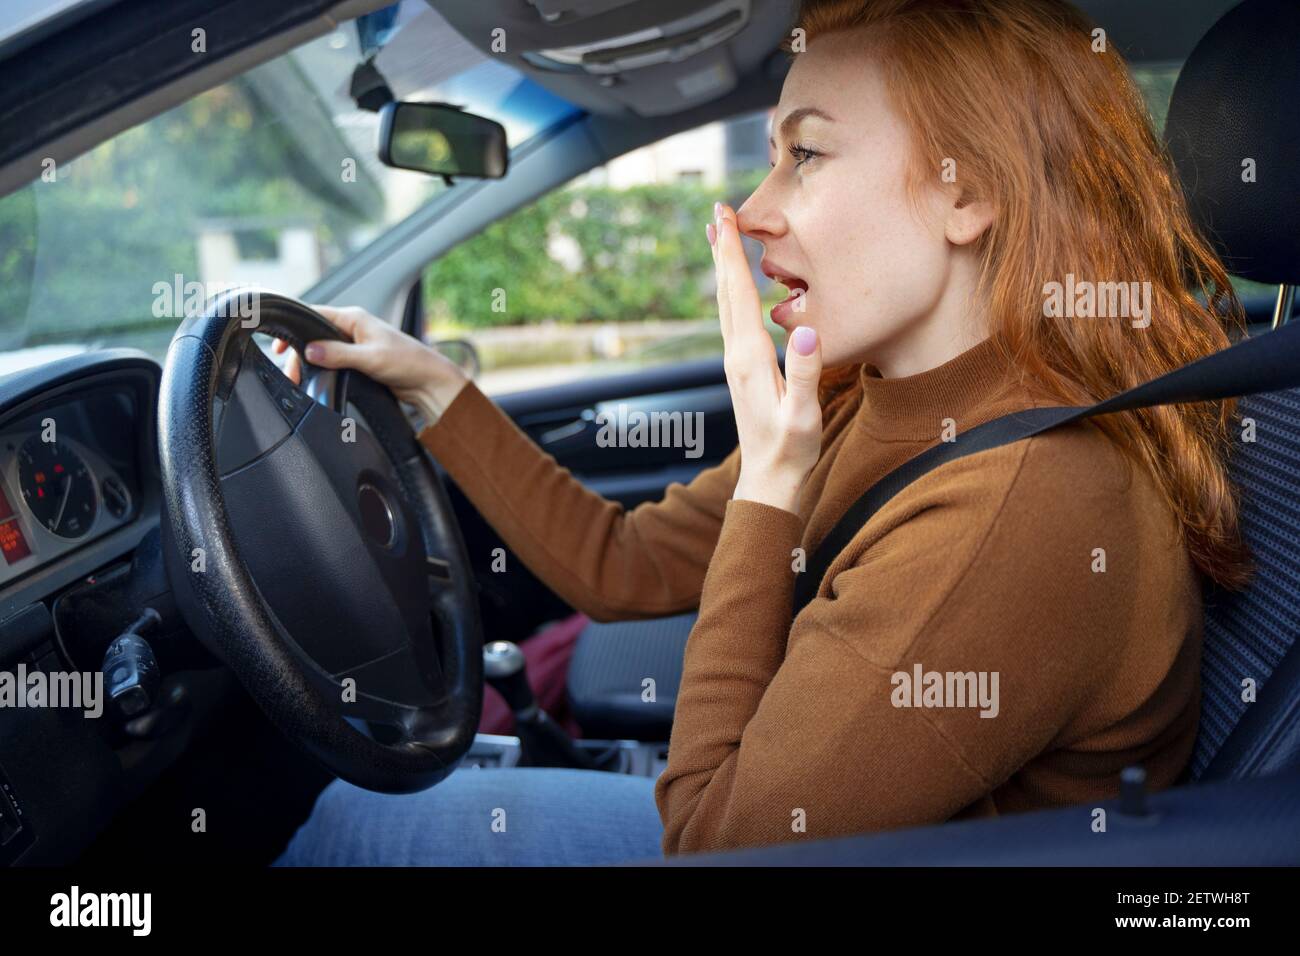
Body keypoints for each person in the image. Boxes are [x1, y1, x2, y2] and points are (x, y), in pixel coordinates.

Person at [275, 0, 1249, 865]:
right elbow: (622, 562)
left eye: (807, 153)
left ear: (967, 191)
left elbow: (712, 844)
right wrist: (433, 383)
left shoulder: (1024, 500)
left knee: (362, 829)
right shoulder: (867, 391)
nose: (751, 211)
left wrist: (769, 492)